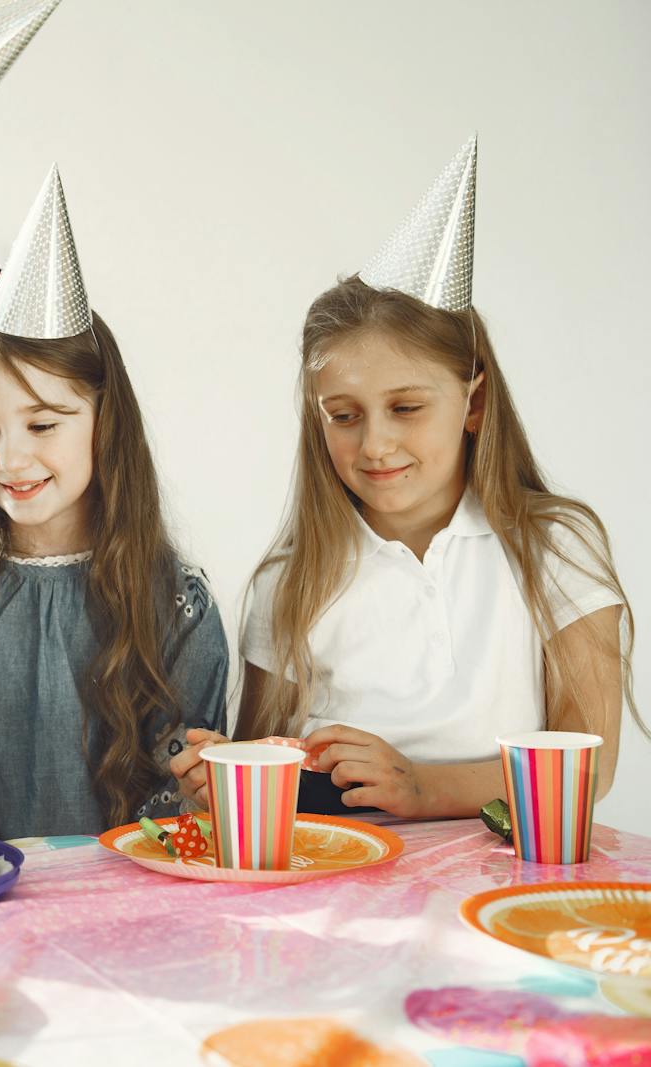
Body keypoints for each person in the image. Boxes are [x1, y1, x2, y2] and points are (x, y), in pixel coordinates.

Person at [172, 137, 639, 818]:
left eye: (406, 407)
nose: (376, 444)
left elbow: (586, 766)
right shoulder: (293, 581)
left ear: (472, 403)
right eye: (344, 414)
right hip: (341, 887)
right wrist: (231, 774)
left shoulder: (554, 546)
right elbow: (272, 771)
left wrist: (423, 787)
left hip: (501, 886)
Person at [0, 168, 228, 839]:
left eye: (44, 423)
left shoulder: (175, 603)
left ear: (103, 421)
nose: (11, 458)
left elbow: (184, 790)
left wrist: (198, 783)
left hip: (132, 912)